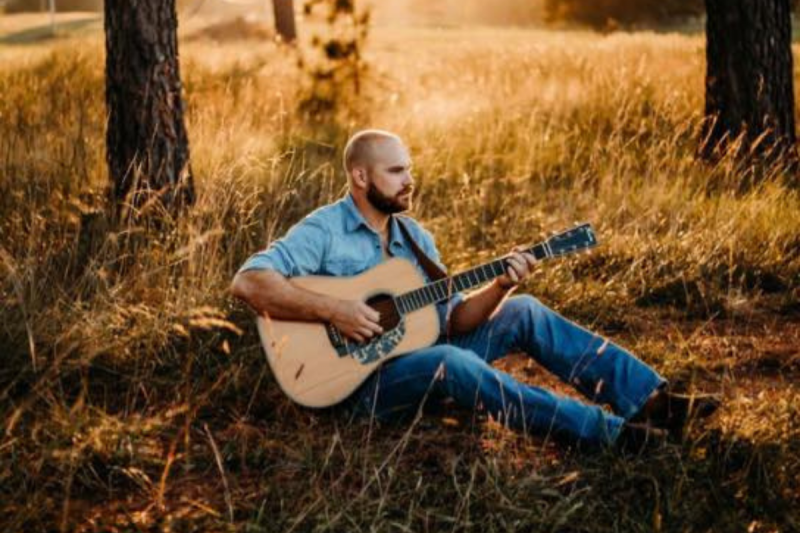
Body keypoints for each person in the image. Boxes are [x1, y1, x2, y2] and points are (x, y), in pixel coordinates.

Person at [231, 129, 718, 452]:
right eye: (396, 172)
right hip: (354, 386)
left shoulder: (414, 239)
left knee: (523, 309)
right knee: (453, 362)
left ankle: (654, 404)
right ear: (360, 177)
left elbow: (454, 321)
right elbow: (249, 281)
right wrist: (336, 309)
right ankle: (614, 437)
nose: (410, 181)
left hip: (421, 352)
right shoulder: (325, 230)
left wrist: (501, 285)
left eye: (409, 169)